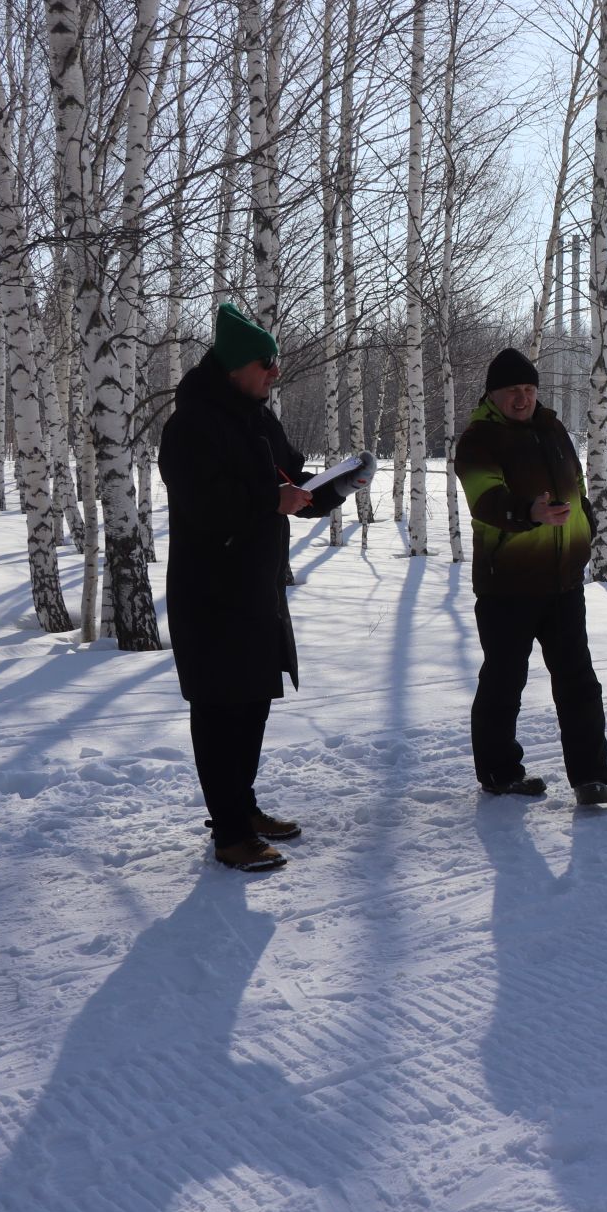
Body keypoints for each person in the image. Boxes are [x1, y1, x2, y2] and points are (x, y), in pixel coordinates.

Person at [158, 302, 370, 871]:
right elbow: (201, 504)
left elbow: (291, 481)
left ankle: (243, 808)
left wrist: (336, 486)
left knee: (253, 701)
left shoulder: (259, 418)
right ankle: (229, 832)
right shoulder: (190, 425)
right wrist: (270, 500)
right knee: (219, 707)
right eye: (265, 363)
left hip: (256, 587)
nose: (275, 372)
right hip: (210, 591)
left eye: (274, 362)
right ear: (233, 367)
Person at [454, 348, 607, 805]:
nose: (523, 398)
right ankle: (499, 773)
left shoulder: (552, 428)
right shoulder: (479, 439)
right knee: (504, 681)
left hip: (563, 582)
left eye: (529, 389)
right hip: (508, 584)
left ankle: (590, 777)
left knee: (578, 680)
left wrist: (587, 526)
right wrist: (530, 512)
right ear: (493, 395)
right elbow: (485, 500)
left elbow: (578, 486)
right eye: (512, 392)